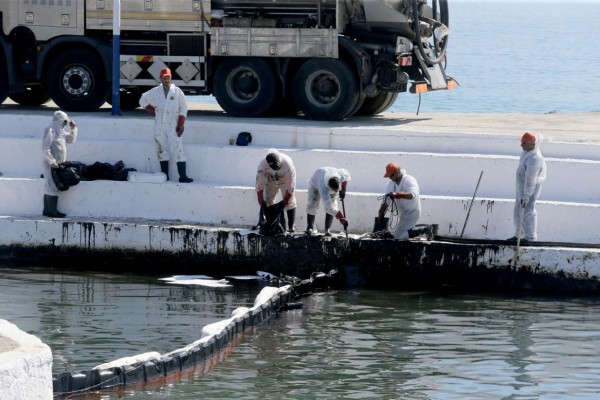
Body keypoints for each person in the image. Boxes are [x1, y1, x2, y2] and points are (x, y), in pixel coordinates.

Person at [139, 67, 193, 183]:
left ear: (170, 77)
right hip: (159, 126)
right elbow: (142, 99)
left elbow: (184, 107)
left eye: (168, 77)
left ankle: (183, 176)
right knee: (162, 150)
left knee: (178, 149)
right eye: (164, 78)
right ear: (161, 78)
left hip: (173, 126)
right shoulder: (155, 91)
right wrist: (150, 109)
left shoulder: (177, 92)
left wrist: (181, 123)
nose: (166, 79)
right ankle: (165, 176)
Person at [377, 162, 431, 241]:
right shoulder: (391, 184)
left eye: (391, 175)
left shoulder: (409, 180)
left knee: (398, 235)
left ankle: (425, 229)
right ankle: (417, 229)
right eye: (389, 176)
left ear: (398, 172)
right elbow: (386, 199)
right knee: (399, 232)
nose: (390, 178)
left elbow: (413, 194)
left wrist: (398, 195)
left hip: (412, 212)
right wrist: (381, 212)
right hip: (403, 214)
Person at [509, 131, 547, 242]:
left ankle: (530, 237)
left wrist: (526, 194)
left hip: (529, 190)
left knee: (527, 211)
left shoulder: (534, 159)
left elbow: (531, 179)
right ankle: (518, 235)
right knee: (518, 210)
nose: (521, 145)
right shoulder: (526, 153)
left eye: (523, 143)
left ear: (532, 144)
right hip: (521, 189)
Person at [42, 110, 77, 218]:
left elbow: (71, 140)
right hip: (51, 164)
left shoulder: (61, 131)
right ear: (61, 120)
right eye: (65, 122)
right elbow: (45, 148)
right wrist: (52, 161)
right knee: (51, 186)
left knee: (51, 186)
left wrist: (73, 129)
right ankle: (52, 211)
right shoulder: (50, 130)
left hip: (59, 165)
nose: (65, 124)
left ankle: (47, 210)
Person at [255, 149, 297, 232]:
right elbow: (260, 180)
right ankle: (269, 224)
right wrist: (260, 197)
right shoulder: (262, 164)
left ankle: (291, 226)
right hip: (271, 180)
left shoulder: (287, 164)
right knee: (267, 200)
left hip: (285, 181)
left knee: (290, 202)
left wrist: (285, 200)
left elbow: (291, 184)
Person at [306, 167, 350, 236]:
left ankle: (327, 229)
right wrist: (341, 218)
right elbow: (329, 206)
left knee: (333, 203)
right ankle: (310, 227)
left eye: (337, 189)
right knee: (313, 203)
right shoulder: (323, 186)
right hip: (314, 185)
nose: (336, 191)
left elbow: (346, 176)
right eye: (334, 190)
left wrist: (344, 190)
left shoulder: (340, 175)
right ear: (328, 186)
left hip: (327, 178)